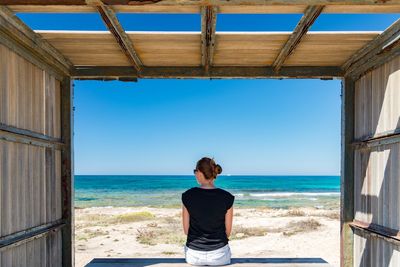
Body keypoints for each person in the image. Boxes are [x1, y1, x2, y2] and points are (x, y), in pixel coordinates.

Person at [181, 157, 235, 266]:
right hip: (219, 256)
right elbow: (227, 232)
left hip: (194, 256)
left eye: (195, 171)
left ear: (200, 173)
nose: (195, 174)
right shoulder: (227, 197)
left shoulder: (187, 196)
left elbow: (186, 231)